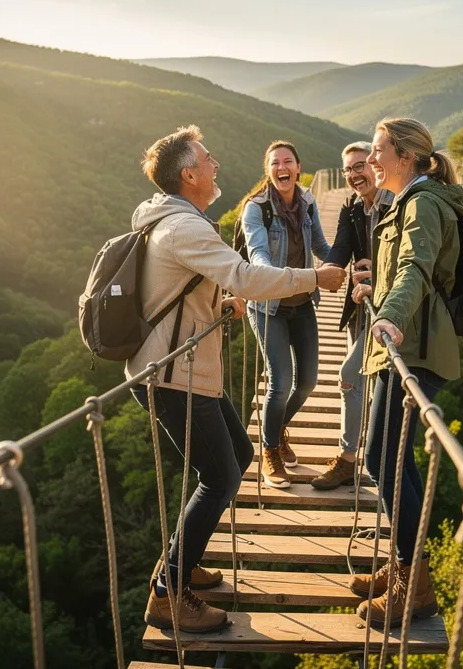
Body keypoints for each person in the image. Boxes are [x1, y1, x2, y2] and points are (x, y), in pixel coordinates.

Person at [128, 125, 346, 633]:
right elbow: (248, 274)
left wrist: (217, 302)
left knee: (241, 457)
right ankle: (168, 593)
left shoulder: (176, 220)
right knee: (222, 476)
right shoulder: (185, 227)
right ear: (189, 174)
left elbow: (183, 286)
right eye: (208, 159)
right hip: (172, 375)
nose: (216, 164)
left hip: (189, 370)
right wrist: (317, 279)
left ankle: (186, 564)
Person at [349, 117, 463, 629]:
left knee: (383, 457)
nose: (371, 160)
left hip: (413, 347)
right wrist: (371, 289)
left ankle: (413, 584)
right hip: (405, 341)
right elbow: (403, 269)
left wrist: (388, 318)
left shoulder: (421, 203)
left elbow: (417, 271)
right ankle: (405, 567)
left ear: (403, 156)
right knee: (393, 461)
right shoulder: (410, 200)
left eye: (377, 151)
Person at [240, 141, 332, 489]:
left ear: (298, 167)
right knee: (280, 382)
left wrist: (353, 262)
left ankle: (276, 430)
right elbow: (258, 254)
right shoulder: (256, 209)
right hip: (268, 307)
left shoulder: (308, 202)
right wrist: (278, 278)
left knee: (307, 382)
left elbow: (321, 247)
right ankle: (269, 450)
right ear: (269, 170)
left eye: (288, 161)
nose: (282, 166)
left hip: (303, 304)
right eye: (275, 162)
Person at [310, 142, 393, 490]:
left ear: (375, 164)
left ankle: (350, 460)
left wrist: (380, 269)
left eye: (360, 165)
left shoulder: (397, 203)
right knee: (361, 382)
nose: (355, 174)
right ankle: (368, 456)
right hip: (361, 305)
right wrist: (321, 273)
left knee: (349, 375)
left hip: (391, 310)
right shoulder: (352, 206)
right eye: (348, 170)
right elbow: (342, 248)